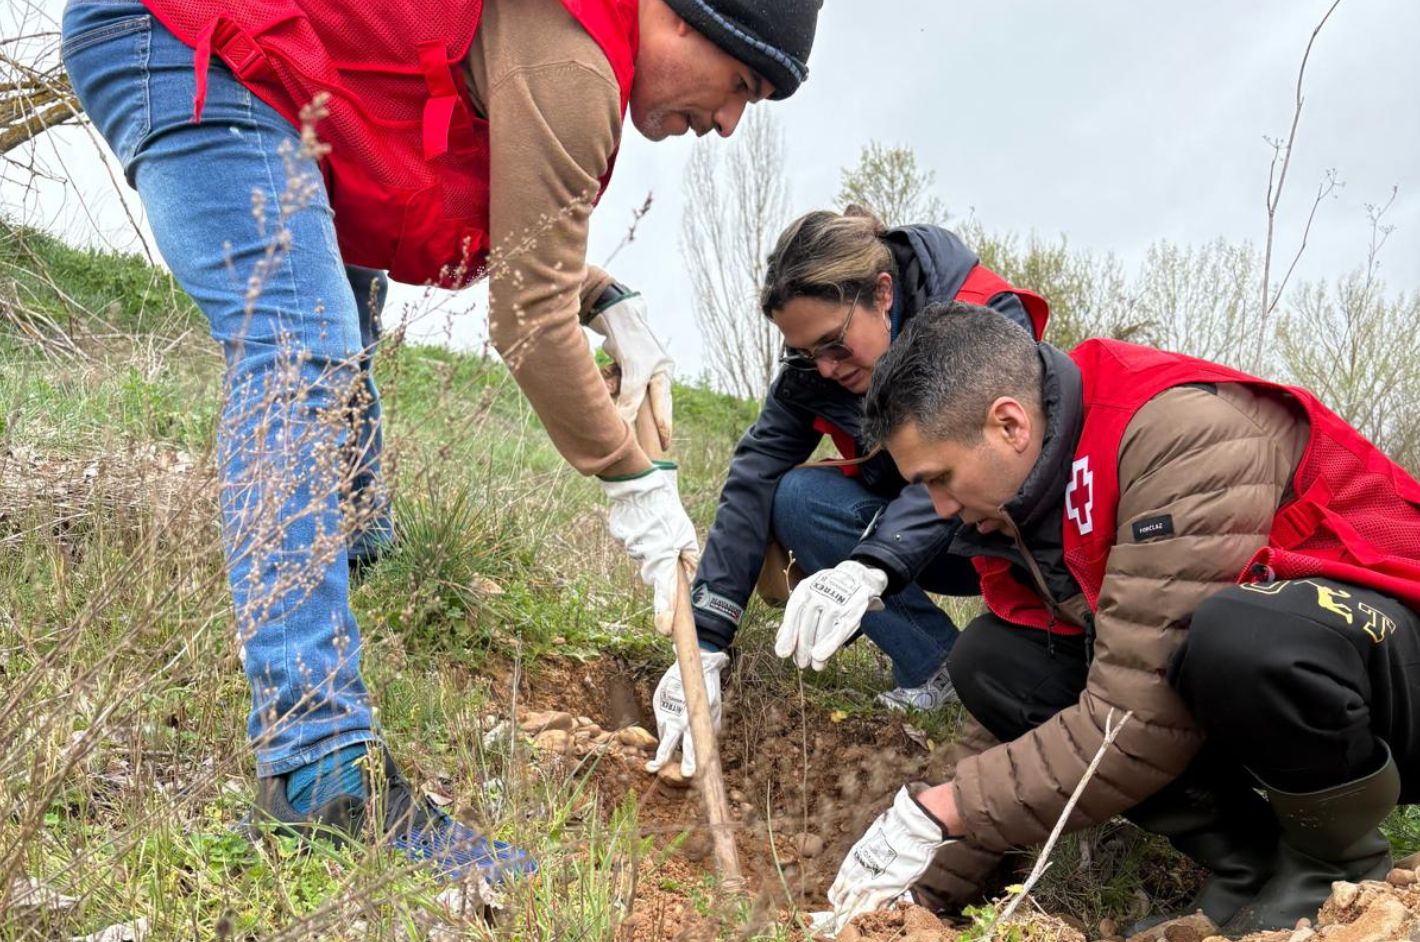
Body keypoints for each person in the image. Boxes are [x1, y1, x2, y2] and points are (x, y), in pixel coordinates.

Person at [60, 0, 823, 885]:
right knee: (301, 345)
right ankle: (319, 769)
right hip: (188, 35)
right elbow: (528, 318)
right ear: (687, 18)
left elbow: (516, 233)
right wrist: (633, 480)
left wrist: (603, 297)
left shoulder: (574, 41)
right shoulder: (576, 60)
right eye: (741, 86)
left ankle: (351, 556)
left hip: (282, 77)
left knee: (339, 306)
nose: (728, 124)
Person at [821, 304, 1420, 936]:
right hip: (1296, 683)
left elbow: (1137, 718)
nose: (940, 507)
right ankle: (1252, 864)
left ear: (1009, 424)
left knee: (1241, 636)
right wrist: (906, 896)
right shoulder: (1026, 500)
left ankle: (1334, 866)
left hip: (1395, 670)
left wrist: (948, 808)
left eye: (940, 478)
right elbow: (1018, 725)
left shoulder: (1179, 434)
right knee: (994, 663)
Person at [645, 208, 1049, 776]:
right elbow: (754, 477)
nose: (827, 368)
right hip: (920, 546)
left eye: (834, 345)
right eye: (807, 353)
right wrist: (706, 640)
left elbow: (966, 469)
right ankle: (933, 668)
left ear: (882, 293)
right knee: (797, 496)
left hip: (1009, 537)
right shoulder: (814, 368)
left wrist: (872, 565)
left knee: (1016, 657)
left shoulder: (979, 316)